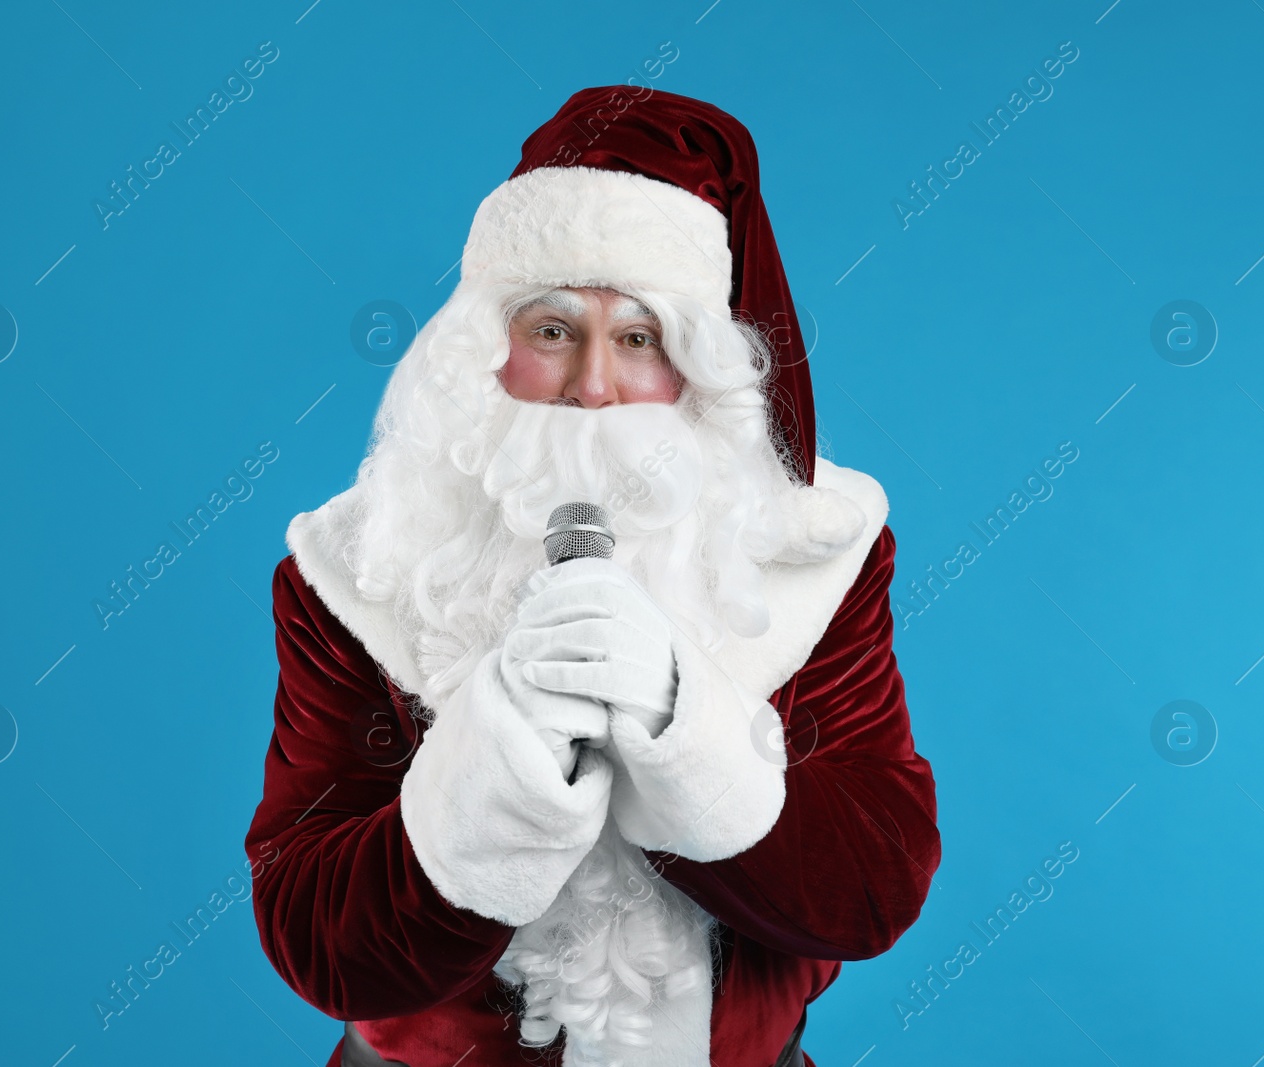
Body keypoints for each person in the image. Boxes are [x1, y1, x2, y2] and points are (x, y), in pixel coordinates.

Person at [244, 86, 940, 1067]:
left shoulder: (814, 553)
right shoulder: (352, 571)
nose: (594, 386)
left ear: (697, 366)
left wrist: (674, 725)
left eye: (639, 336)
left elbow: (871, 884)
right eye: (553, 329)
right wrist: (502, 757)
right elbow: (320, 937)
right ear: (487, 346)